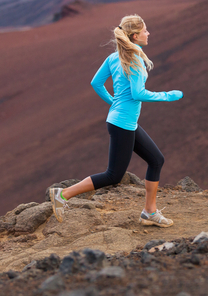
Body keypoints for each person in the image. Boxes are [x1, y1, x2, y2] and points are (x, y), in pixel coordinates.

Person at [50, 15, 183, 227]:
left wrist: (113, 102)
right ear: (135, 35)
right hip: (122, 124)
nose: (149, 34)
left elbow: (96, 83)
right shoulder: (135, 60)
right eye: (145, 30)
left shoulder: (114, 57)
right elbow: (138, 93)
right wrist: (168, 95)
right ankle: (63, 195)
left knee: (156, 160)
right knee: (113, 175)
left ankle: (149, 212)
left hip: (122, 121)